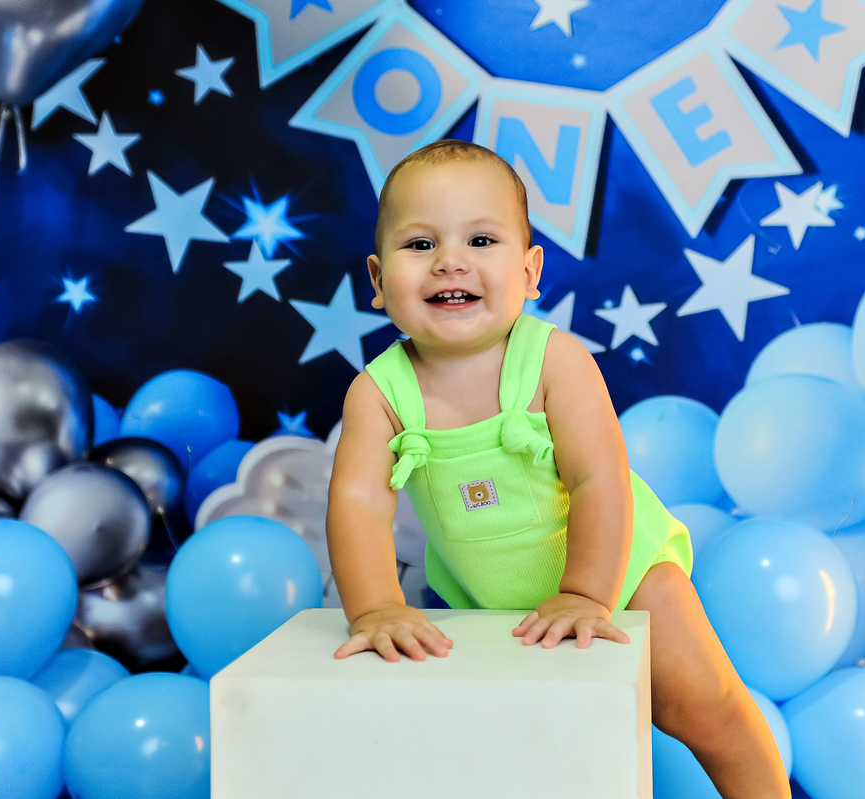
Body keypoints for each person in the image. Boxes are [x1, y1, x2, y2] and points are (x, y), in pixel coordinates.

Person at [325, 139, 789, 799]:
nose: (450, 261)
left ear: (529, 271)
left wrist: (588, 594)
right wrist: (376, 607)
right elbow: (360, 503)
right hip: (495, 604)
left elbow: (600, 479)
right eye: (421, 244)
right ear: (377, 281)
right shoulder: (378, 393)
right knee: (541, 750)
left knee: (702, 707)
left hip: (621, 572)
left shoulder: (555, 362)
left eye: (481, 241)